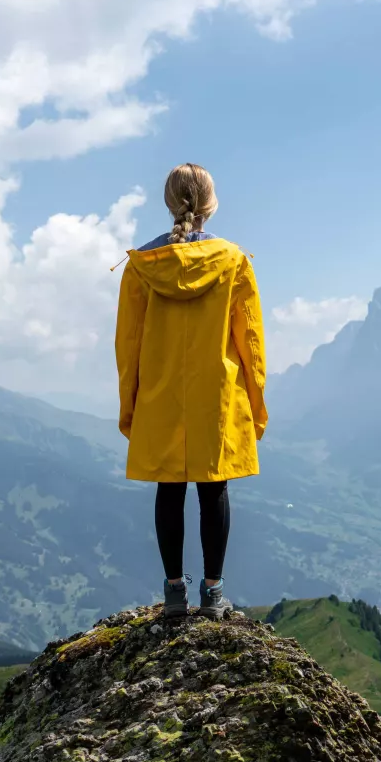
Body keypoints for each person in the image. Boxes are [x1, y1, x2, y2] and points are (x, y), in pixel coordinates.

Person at [114, 162, 268, 620]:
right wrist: (256, 404)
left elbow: (128, 343)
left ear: (169, 203)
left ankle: (175, 593)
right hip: (216, 394)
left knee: (169, 486)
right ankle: (214, 592)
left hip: (160, 391)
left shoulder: (142, 267)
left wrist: (130, 405)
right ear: (210, 204)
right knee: (212, 487)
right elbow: (251, 344)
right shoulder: (234, 261)